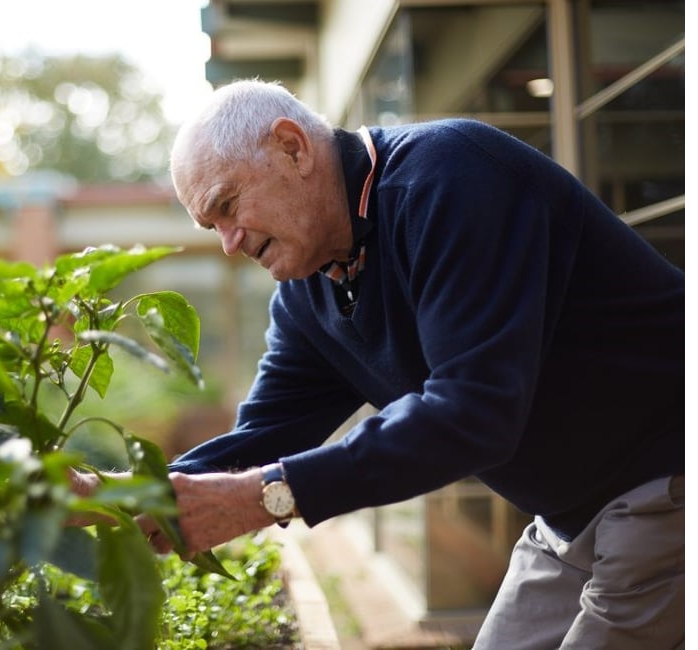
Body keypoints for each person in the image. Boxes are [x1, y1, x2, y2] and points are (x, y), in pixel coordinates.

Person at [75, 79, 685, 648]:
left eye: (229, 206)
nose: (229, 243)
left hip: (668, 476)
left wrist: (266, 497)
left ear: (291, 148)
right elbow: (263, 436)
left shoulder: (453, 178)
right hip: (570, 518)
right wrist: (136, 494)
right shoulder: (308, 292)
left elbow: (473, 411)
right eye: (213, 226)